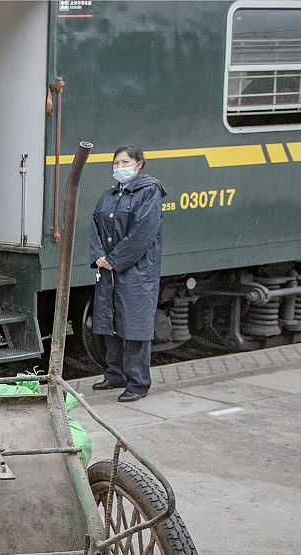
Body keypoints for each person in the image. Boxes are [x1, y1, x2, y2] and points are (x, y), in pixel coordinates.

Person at [88, 145, 166, 403]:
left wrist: (114, 260)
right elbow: (95, 225)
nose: (120, 167)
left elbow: (143, 233)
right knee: (110, 324)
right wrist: (99, 257)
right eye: (116, 163)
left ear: (139, 164)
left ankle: (138, 383)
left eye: (125, 162)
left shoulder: (149, 192)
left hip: (136, 272)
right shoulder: (108, 195)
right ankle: (115, 374)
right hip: (109, 270)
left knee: (134, 328)